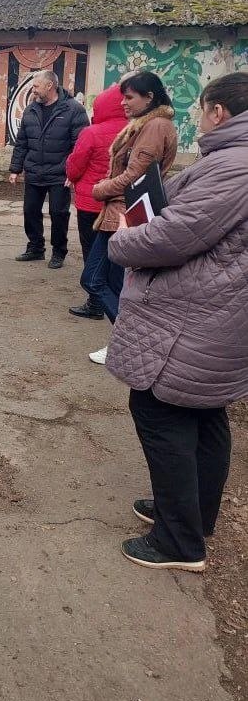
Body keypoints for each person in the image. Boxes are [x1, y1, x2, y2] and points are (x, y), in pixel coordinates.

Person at [105, 72, 248, 573]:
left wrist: (122, 238)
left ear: (219, 113)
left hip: (193, 318)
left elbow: (175, 235)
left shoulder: (234, 167)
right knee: (204, 415)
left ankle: (178, 542)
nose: (197, 117)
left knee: (160, 411)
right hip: (217, 314)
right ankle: (190, 514)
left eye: (202, 108)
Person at [82, 71, 177, 365]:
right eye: (123, 97)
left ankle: (128, 341)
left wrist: (100, 189)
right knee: (114, 283)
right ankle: (126, 341)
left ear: (150, 97)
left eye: (130, 97)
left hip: (124, 214)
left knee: (94, 279)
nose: (124, 103)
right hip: (119, 212)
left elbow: (136, 176)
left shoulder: (154, 127)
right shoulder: (146, 125)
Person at [9, 70, 90, 268]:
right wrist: (15, 168)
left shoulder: (73, 110)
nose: (33, 90)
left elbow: (79, 146)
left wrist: (73, 172)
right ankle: (35, 248)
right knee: (30, 211)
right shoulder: (31, 110)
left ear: (49, 86)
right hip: (34, 171)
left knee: (58, 214)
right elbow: (22, 142)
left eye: (36, 86)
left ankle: (58, 252)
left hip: (60, 174)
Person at [65, 82, 128, 319]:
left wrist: (71, 176)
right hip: (122, 206)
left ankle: (96, 304)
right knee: (117, 259)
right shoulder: (133, 131)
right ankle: (115, 297)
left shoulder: (92, 132)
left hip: (91, 203)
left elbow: (75, 164)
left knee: (93, 254)